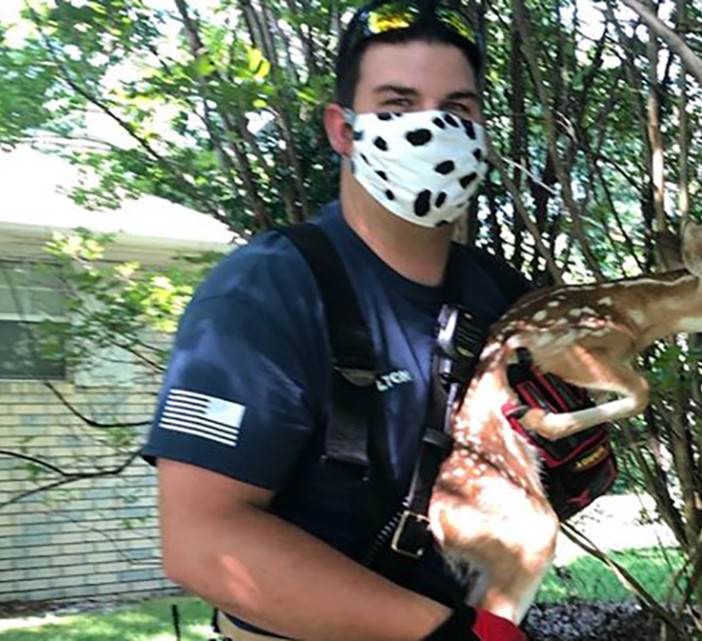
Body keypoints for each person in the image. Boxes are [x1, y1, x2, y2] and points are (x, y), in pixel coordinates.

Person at [141, 2, 537, 639]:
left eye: (457, 108)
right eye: (397, 104)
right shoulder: (265, 293)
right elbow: (200, 538)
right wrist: (441, 633)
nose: (431, 127)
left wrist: (567, 471)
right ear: (342, 129)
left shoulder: (502, 294)